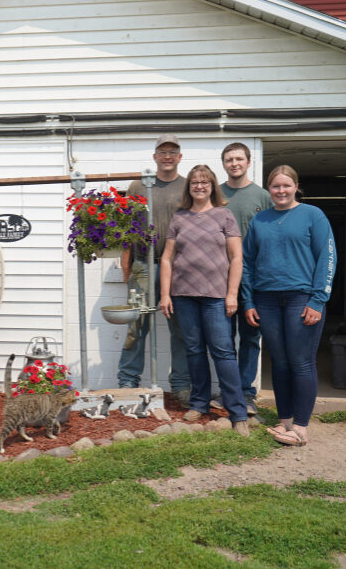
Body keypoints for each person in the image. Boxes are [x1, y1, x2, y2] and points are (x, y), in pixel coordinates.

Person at [241, 165, 336, 446]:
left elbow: (327, 259)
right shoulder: (260, 221)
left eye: (286, 186)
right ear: (268, 190)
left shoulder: (312, 216)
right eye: (275, 186)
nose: (280, 191)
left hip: (301, 298)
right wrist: (247, 300)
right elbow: (247, 263)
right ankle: (284, 423)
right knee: (280, 363)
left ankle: (301, 428)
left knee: (301, 362)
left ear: (296, 186)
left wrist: (318, 300)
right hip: (266, 300)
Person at [158, 165, 250, 435]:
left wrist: (232, 293)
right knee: (194, 351)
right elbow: (166, 258)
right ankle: (199, 403)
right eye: (194, 182)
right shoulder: (179, 218)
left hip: (216, 298)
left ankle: (238, 412)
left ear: (212, 185)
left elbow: (236, 257)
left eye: (204, 182)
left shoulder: (225, 215)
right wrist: (165, 294)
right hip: (183, 295)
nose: (199, 186)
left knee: (223, 352)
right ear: (189, 187)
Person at [117, 134, 190, 405]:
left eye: (173, 151)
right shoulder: (138, 186)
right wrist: (127, 267)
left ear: (180, 157)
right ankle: (128, 381)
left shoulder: (187, 187)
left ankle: (181, 385)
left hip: (180, 269)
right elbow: (125, 229)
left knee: (181, 327)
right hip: (142, 267)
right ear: (155, 157)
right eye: (163, 151)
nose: (168, 156)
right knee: (137, 325)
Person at [219, 142, 273, 416]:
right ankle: (228, 393)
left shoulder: (262, 197)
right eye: (229, 159)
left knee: (251, 336)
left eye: (239, 159)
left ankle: (246, 393)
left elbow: (271, 236)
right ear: (224, 164)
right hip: (220, 276)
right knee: (224, 339)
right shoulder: (215, 194)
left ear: (248, 162)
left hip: (253, 277)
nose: (234, 163)